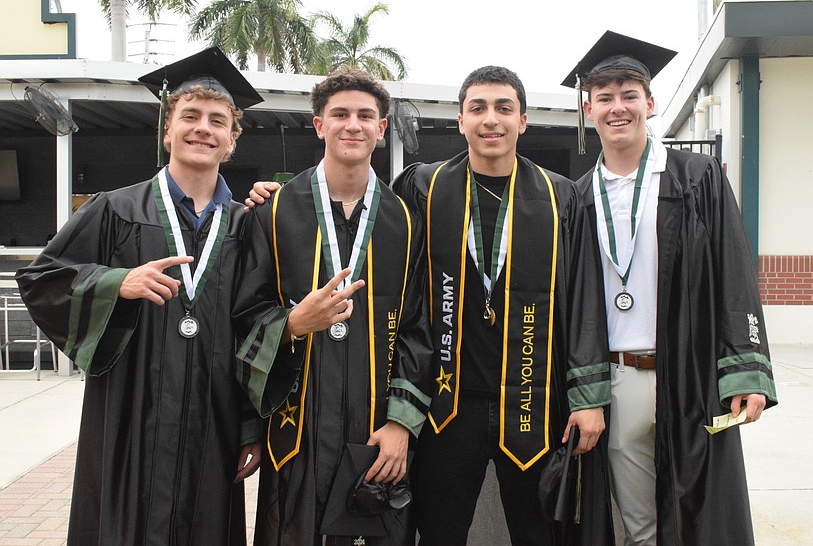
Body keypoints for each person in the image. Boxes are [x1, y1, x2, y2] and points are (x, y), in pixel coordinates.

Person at [15, 47, 265, 545]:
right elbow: (41, 278)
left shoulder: (246, 224)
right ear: (166, 129)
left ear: (232, 140)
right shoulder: (115, 209)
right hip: (129, 417)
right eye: (189, 116)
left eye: (218, 121)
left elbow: (255, 326)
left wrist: (250, 427)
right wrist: (114, 283)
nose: (202, 129)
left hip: (213, 423)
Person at [564, 30, 779, 545]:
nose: (618, 108)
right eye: (605, 98)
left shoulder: (695, 176)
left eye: (629, 95)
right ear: (589, 109)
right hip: (616, 381)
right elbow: (570, 302)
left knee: (702, 514)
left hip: (690, 374)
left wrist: (745, 370)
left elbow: (734, 273)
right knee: (640, 524)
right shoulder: (576, 197)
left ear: (650, 102)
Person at [390, 66, 613, 545]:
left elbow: (584, 299)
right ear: (460, 121)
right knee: (439, 534)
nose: (491, 120)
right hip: (446, 409)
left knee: (540, 535)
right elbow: (372, 235)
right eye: (478, 108)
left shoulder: (560, 197)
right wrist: (280, 196)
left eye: (504, 108)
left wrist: (589, 396)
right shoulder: (424, 188)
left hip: (533, 404)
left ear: (524, 120)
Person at [232, 67, 433, 545]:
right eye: (339, 114)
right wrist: (292, 325)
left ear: (382, 129)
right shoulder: (274, 212)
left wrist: (401, 422)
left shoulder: (405, 220)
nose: (353, 125)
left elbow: (420, 329)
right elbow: (241, 315)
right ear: (319, 124)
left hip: (376, 432)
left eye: (366, 116)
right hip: (296, 429)